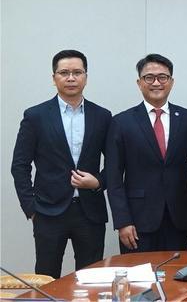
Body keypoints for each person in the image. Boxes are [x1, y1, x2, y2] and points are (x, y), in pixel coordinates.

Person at [10, 50, 112, 278]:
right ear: (54, 77)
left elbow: (115, 164)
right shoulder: (35, 116)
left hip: (90, 212)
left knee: (91, 278)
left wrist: (98, 183)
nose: (71, 78)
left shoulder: (102, 116)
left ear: (86, 76)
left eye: (77, 72)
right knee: (47, 277)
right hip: (47, 211)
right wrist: (31, 208)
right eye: (64, 72)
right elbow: (20, 165)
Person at [105, 54, 187, 253]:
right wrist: (122, 221)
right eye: (149, 77)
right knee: (139, 280)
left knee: (178, 278)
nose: (156, 82)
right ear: (139, 83)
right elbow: (113, 176)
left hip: (180, 219)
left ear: (171, 82)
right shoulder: (121, 122)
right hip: (137, 221)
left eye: (162, 77)